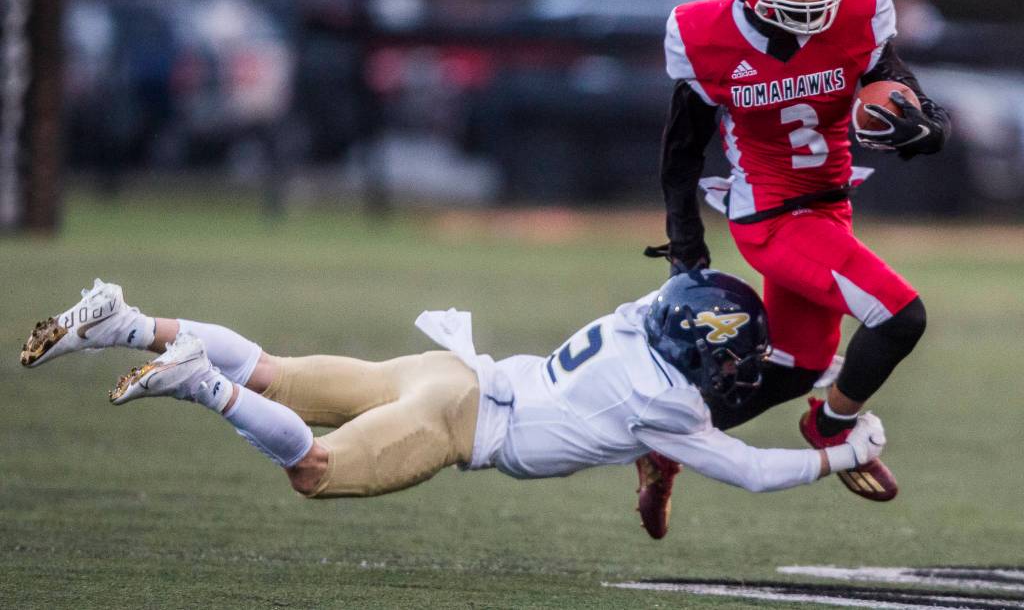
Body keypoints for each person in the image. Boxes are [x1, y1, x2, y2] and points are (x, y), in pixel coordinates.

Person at [21, 275, 885, 520]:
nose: (737, 380)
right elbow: (759, 472)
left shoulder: (637, 320)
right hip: (456, 421)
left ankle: (127, 322)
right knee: (314, 471)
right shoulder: (673, 411)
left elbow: (694, 307)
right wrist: (846, 447)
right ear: (699, 350)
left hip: (454, 372)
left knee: (278, 374)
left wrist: (815, 376)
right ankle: (196, 380)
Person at [639, 0, 952, 534]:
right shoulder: (706, 37)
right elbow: (682, 149)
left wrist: (929, 129)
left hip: (831, 207)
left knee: (793, 367)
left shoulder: (859, 10)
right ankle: (830, 426)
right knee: (900, 316)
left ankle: (662, 443)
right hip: (772, 216)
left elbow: (900, 85)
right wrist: (686, 244)